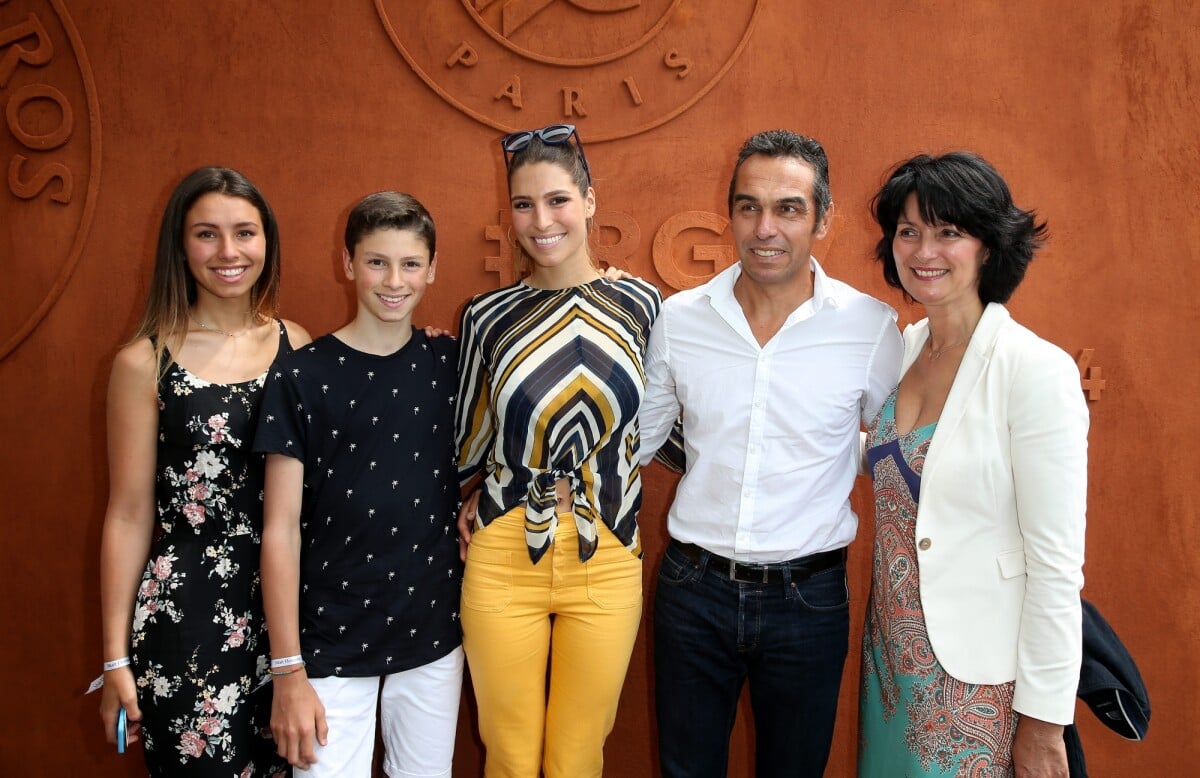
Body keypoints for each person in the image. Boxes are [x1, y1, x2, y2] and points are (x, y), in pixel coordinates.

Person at [639, 129, 904, 778]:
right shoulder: (681, 319)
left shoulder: (869, 329)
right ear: (728, 213)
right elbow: (632, 444)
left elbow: (898, 447)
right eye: (748, 206)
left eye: (788, 208)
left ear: (822, 218)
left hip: (808, 602)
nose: (765, 228)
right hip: (692, 592)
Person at [858, 152, 1088, 777]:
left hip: (980, 685)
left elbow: (1056, 565)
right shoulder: (902, 350)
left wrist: (1045, 724)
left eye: (948, 231)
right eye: (908, 231)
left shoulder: (1034, 371)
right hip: (890, 672)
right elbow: (898, 466)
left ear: (989, 246)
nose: (924, 249)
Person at [454, 123, 662, 777]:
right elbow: (466, 440)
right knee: (510, 755)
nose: (540, 220)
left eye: (557, 200)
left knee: (578, 757)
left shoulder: (645, 305)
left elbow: (672, 425)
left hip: (608, 551)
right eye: (523, 204)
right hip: (502, 552)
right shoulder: (486, 316)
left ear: (590, 201)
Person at [97, 166, 310, 775]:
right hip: (185, 620)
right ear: (179, 245)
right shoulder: (145, 361)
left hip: (293, 619)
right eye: (206, 234)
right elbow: (128, 513)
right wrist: (115, 661)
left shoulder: (296, 343)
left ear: (266, 241)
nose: (228, 252)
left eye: (245, 232)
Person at [255, 191, 464, 777]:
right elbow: (279, 532)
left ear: (432, 268)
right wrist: (287, 669)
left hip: (431, 638)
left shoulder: (450, 366)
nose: (393, 280)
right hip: (328, 643)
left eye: (410, 264)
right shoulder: (300, 375)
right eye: (376, 262)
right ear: (348, 264)